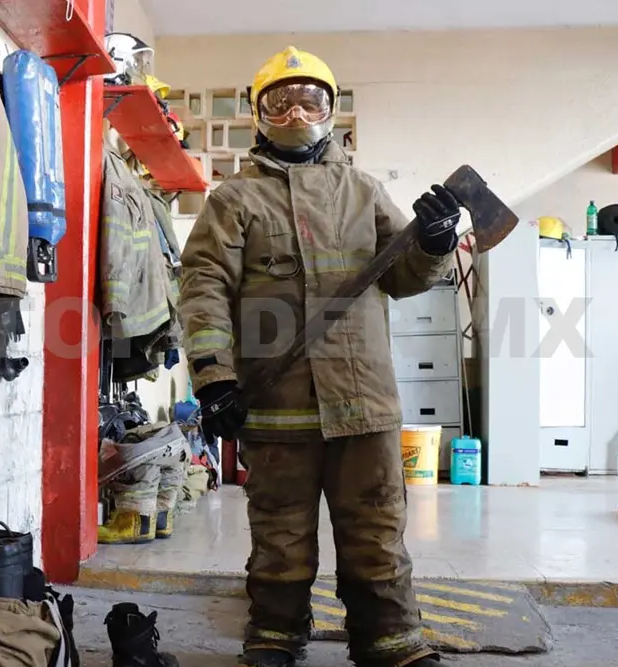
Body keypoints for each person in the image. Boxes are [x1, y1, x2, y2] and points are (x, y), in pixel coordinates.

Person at [178, 46, 461, 667]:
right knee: (279, 528)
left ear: (333, 111)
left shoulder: (363, 191)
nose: (299, 111)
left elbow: (405, 276)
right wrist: (213, 378)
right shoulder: (234, 201)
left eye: (313, 98)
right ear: (260, 115)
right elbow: (203, 288)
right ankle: (276, 634)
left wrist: (436, 243)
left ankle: (391, 641)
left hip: (364, 402)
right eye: (282, 100)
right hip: (278, 403)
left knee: (376, 526)